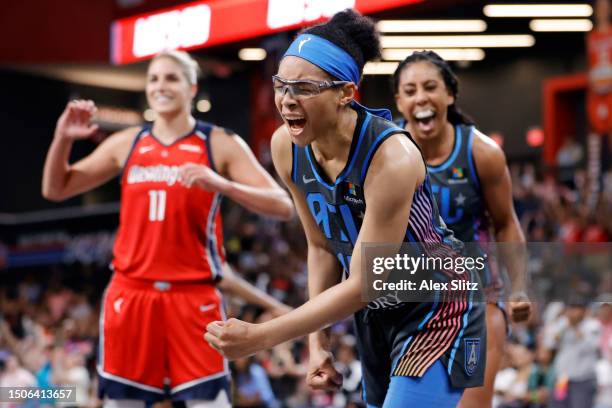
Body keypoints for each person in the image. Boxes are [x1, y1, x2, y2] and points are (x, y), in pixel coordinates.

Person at [205, 10, 487, 407]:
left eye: (303, 87)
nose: (286, 100)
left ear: (345, 92)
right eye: (281, 85)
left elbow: (363, 282)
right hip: (376, 315)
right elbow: (321, 247)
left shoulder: (392, 157)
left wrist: (262, 336)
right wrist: (317, 343)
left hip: (439, 305)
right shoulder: (285, 146)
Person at [41, 50, 294, 407]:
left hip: (194, 298)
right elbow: (56, 189)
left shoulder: (218, 142)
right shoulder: (128, 142)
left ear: (192, 87)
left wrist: (223, 185)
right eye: (154, 79)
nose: (161, 86)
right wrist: (62, 139)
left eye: (171, 78)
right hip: (131, 294)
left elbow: (282, 206)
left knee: (211, 401)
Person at [393, 50, 533, 407]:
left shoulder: (482, 153)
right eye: (410, 91)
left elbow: (506, 224)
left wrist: (518, 288)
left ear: (450, 95)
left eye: (430, 87)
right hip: (413, 304)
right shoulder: (385, 154)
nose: (421, 97)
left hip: (478, 300)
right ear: (399, 102)